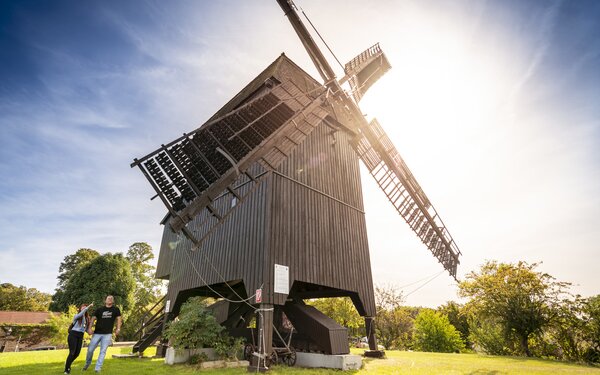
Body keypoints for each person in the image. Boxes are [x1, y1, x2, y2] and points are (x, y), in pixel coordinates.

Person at [83, 296, 122, 373]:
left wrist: (118, 328)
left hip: (107, 334)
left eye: (111, 298)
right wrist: (90, 328)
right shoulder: (100, 309)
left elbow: (119, 319)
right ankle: (87, 363)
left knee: (103, 351)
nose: (110, 299)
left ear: (113, 301)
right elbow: (93, 319)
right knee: (90, 349)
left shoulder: (116, 309)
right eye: (108, 298)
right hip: (97, 333)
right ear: (105, 300)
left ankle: (97, 368)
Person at [63, 302, 93, 374]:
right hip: (73, 334)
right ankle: (67, 370)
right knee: (72, 352)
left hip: (80, 336)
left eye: (85, 307)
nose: (84, 308)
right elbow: (82, 313)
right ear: (80, 309)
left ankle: (68, 363)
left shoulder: (87, 318)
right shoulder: (77, 316)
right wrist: (88, 306)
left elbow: (85, 329)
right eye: (82, 307)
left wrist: (92, 332)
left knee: (77, 353)